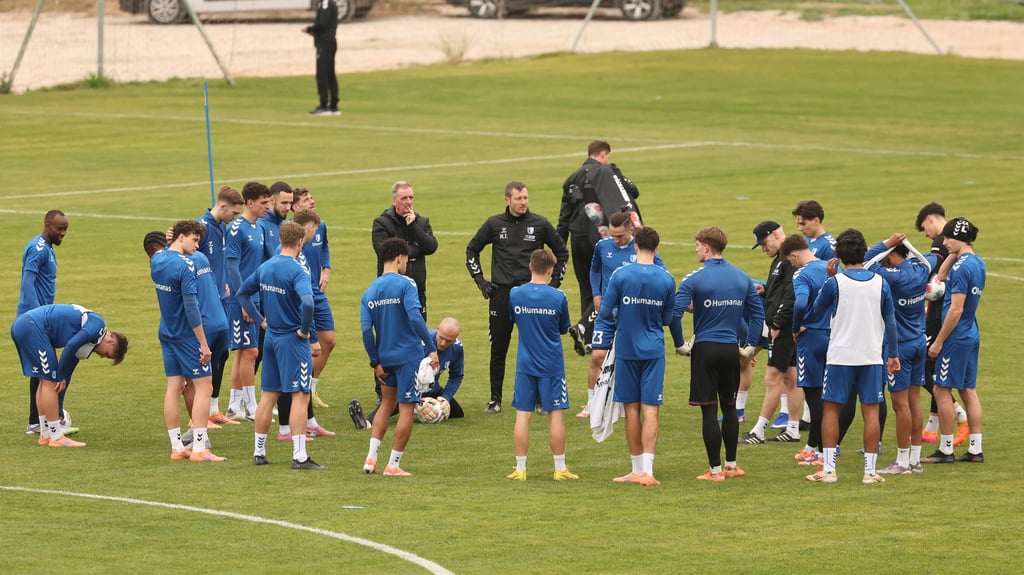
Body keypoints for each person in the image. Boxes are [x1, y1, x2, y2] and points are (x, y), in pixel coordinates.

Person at [805, 229, 900, 484]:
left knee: (832, 411)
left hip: (840, 356)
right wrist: (892, 354)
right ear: (864, 252)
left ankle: (828, 469)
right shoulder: (881, 283)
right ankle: (870, 472)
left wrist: (828, 278)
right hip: (871, 355)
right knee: (870, 412)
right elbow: (890, 320)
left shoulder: (836, 282)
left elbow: (816, 310)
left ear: (839, 255)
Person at [466, 181, 568, 414]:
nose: (523, 203)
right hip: (501, 294)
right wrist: (481, 281)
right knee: (498, 348)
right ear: (507, 200)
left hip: (532, 295)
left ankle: (540, 399)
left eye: (526, 198)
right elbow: (472, 249)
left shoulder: (540, 223)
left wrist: (553, 284)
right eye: (519, 198)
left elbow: (561, 251)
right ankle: (495, 399)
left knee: (536, 346)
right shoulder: (494, 224)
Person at [673, 226, 764, 482]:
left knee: (709, 411)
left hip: (705, 349)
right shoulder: (741, 277)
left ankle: (714, 471)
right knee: (731, 407)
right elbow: (757, 314)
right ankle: (732, 465)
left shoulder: (694, 279)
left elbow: (674, 313)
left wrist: (681, 344)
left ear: (706, 247)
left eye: (697, 245)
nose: (695, 250)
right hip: (730, 350)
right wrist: (748, 346)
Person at [237, 221, 326, 470]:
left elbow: (242, 294)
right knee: (300, 395)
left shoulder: (266, 267)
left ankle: (259, 452)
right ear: (299, 242)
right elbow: (308, 304)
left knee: (268, 396)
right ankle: (299, 456)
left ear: (280, 240)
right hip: (292, 340)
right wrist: (305, 331)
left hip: (272, 338)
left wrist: (260, 320)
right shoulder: (298, 270)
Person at [600, 227, 676, 486]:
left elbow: (605, 310)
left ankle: (635, 469)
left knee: (631, 409)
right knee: (651, 409)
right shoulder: (666, 278)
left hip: (626, 348)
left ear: (635, 247)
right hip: (653, 349)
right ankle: (648, 471)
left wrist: (623, 315)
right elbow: (668, 318)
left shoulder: (621, 274)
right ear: (657, 249)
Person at [149, 220, 227, 462]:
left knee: (174, 387)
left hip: (167, 332)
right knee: (205, 388)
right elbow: (192, 307)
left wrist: (171, 238)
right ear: (181, 237)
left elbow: (164, 249)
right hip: (186, 336)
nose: (197, 245)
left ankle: (177, 448)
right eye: (194, 240)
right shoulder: (186, 267)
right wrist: (203, 343)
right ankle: (200, 449)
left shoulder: (157, 259)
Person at [361, 238, 439, 476]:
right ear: (399, 258)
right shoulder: (407, 284)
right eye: (406, 260)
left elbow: (366, 331)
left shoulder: (369, 291)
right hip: (408, 357)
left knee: (386, 405)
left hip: (385, 358)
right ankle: (393, 465)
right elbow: (415, 317)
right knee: (406, 408)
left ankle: (371, 459)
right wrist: (430, 345)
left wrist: (375, 361)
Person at [577, 208, 664, 418]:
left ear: (630, 231)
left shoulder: (641, 250)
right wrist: (596, 294)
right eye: (611, 234)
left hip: (632, 316)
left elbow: (662, 273)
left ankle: (628, 403)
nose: (614, 239)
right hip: (607, 314)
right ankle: (592, 403)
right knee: (597, 356)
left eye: (619, 235)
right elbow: (594, 268)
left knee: (627, 360)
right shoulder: (602, 245)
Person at [558, 141, 641, 356]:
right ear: (604, 154)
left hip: (577, 238)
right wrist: (618, 174)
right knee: (604, 287)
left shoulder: (571, 179)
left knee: (587, 287)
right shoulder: (608, 173)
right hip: (602, 236)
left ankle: (590, 339)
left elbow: (563, 216)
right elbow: (633, 191)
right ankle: (585, 327)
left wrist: (560, 246)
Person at [10, 304, 128, 447]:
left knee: (45, 382)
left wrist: (59, 407)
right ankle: (56, 437)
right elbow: (71, 345)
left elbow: (66, 375)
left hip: (26, 326)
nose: (103, 357)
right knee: (49, 382)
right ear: (111, 341)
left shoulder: (89, 340)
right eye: (107, 354)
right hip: (32, 326)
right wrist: (58, 376)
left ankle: (45, 434)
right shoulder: (98, 325)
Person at [506, 249, 577, 481]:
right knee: (555, 415)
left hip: (525, 364)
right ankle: (559, 468)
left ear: (530, 266)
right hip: (552, 365)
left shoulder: (515, 294)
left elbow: (513, 319)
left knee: (522, 416)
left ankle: (520, 469)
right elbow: (563, 328)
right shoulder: (558, 297)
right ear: (550, 270)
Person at [864, 234, 931, 474]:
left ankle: (902, 462)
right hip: (918, 342)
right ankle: (915, 458)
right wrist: (906, 247)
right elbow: (927, 259)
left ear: (893, 254)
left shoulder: (893, 277)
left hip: (899, 347)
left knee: (900, 405)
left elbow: (865, 262)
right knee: (914, 401)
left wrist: (885, 244)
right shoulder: (921, 270)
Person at [923, 217, 986, 464]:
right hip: (971, 332)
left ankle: (946, 449)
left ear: (959, 238)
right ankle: (975, 449)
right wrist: (954, 251)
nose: (944, 242)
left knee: (941, 388)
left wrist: (938, 342)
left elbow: (956, 309)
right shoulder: (977, 262)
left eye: (948, 238)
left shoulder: (962, 268)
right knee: (968, 389)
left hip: (956, 335)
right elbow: (941, 274)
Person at [741, 221, 803, 444]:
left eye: (764, 243)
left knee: (772, 378)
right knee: (791, 377)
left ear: (776, 234)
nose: (764, 248)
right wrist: (766, 289)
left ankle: (758, 431)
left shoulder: (789, 259)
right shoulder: (781, 259)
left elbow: (792, 293)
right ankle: (794, 429)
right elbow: (783, 289)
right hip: (786, 324)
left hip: (783, 327)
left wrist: (776, 324)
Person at [915, 203, 970, 446]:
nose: (926, 233)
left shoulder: (941, 243)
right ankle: (931, 428)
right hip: (940, 313)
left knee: (925, 369)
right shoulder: (955, 247)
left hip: (938, 317)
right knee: (934, 369)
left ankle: (959, 414)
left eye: (923, 228)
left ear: (930, 219)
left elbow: (936, 279)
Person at [18, 210, 70, 435]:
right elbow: (27, 283)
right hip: (34, 319)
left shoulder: (46, 248)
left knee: (40, 370)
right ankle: (38, 422)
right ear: (48, 225)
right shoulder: (37, 249)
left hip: (40, 318)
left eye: (65, 229)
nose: (63, 234)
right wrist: (40, 314)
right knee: (45, 370)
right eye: (60, 229)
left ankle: (37, 421)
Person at [780, 234, 830, 467]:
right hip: (833, 336)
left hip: (811, 339)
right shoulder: (831, 267)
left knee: (814, 396)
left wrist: (795, 327)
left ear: (794, 255)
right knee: (827, 395)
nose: (793, 266)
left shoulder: (802, 274)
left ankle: (821, 452)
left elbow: (800, 303)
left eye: (791, 262)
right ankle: (813, 446)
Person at [197, 186, 244, 427]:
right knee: (205, 357)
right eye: (234, 213)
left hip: (222, 301)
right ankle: (200, 413)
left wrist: (224, 283)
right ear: (223, 206)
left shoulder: (224, 228)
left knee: (223, 353)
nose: (235, 218)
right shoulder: (200, 229)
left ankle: (214, 409)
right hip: (206, 305)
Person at [225, 182, 272, 421]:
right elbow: (232, 267)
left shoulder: (259, 228)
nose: (268, 207)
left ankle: (234, 405)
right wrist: (245, 301)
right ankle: (253, 407)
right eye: (264, 203)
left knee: (244, 352)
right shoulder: (236, 229)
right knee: (251, 351)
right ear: (250, 203)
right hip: (240, 299)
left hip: (253, 296)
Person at [369, 317, 466, 422]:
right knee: (388, 408)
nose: (443, 343)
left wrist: (445, 398)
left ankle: (427, 405)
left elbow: (456, 376)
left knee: (457, 413)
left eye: (448, 341)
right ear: (438, 329)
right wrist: (416, 402)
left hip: (431, 389)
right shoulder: (418, 342)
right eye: (441, 338)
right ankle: (365, 422)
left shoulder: (457, 348)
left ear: (456, 337)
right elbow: (401, 371)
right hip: (408, 388)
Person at [292, 188, 337, 410]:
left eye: (312, 198)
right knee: (305, 346)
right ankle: (296, 392)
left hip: (317, 293)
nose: (312, 201)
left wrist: (326, 268)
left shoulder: (321, 227)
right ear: (295, 207)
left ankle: (310, 388)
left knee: (328, 341)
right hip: (302, 294)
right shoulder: (289, 233)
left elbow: (325, 247)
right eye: (306, 199)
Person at [372, 180, 439, 321]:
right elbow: (384, 251)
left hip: (417, 289)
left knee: (418, 332)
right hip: (391, 291)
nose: (408, 202)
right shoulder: (382, 223)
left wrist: (413, 227)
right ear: (394, 200)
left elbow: (431, 247)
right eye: (403, 198)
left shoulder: (421, 222)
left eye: (411, 198)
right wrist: (416, 248)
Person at [304, 0, 340, 116]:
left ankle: (323, 105)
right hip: (328, 42)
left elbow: (323, 23)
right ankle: (333, 105)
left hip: (325, 44)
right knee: (330, 74)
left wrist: (311, 29)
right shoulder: (329, 4)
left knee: (322, 74)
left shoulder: (326, 4)